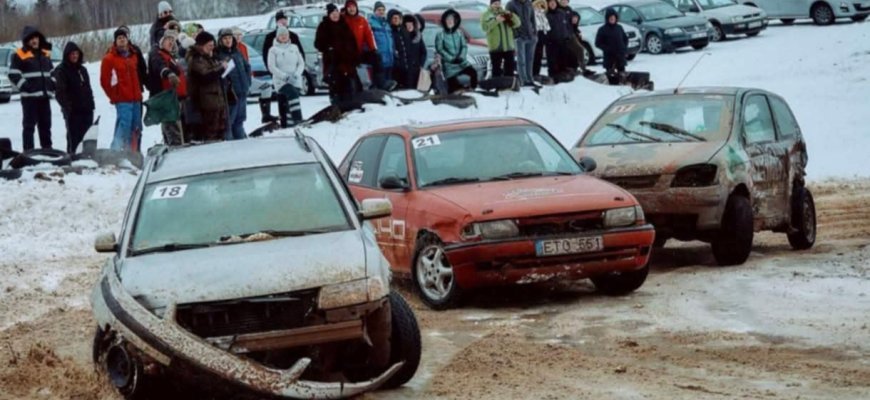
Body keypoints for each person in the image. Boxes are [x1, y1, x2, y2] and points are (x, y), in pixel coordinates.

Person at [9, 26, 55, 151]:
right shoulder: (20, 54)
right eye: (31, 39)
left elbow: (53, 72)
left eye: (36, 38)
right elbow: (13, 74)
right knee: (29, 127)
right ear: (26, 41)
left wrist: (53, 84)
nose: (34, 41)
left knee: (46, 126)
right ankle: (29, 152)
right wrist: (26, 86)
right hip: (30, 99)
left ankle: (48, 151)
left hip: (44, 97)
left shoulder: (45, 54)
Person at [100, 28, 144, 152]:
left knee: (136, 127)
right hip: (123, 100)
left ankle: (132, 153)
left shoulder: (133, 55)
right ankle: (115, 153)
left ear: (127, 39)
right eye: (119, 38)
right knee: (124, 127)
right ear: (115, 41)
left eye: (124, 37)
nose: (122, 40)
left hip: (136, 98)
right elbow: (105, 81)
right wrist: (115, 96)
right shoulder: (109, 59)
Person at [262, 11, 305, 123]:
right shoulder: (270, 38)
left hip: (294, 76)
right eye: (280, 20)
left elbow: (301, 57)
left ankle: (292, 121)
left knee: (293, 98)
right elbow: (269, 62)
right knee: (284, 99)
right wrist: (278, 75)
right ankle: (289, 120)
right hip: (280, 78)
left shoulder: (293, 37)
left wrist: (297, 73)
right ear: (276, 22)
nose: (283, 21)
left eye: (284, 19)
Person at [52, 42, 95, 154]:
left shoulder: (83, 70)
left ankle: (87, 157)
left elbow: (88, 88)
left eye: (76, 53)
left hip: (86, 109)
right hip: (73, 111)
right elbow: (59, 92)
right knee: (74, 138)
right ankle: (73, 157)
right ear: (67, 55)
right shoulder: (61, 70)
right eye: (72, 54)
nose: (75, 56)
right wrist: (67, 107)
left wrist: (91, 104)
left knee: (87, 137)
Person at [148, 29, 188, 145]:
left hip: (175, 99)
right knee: (173, 133)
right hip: (167, 100)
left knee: (175, 131)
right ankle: (175, 157)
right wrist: (168, 73)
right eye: (168, 40)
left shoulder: (169, 55)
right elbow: (159, 66)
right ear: (161, 41)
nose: (171, 43)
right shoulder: (157, 54)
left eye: (173, 40)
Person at [187, 31, 229, 142]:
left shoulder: (209, 58)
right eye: (209, 45)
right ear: (201, 45)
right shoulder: (196, 59)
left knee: (220, 133)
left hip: (216, 102)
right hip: (206, 104)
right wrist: (220, 68)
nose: (212, 48)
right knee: (210, 134)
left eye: (213, 45)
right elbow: (206, 76)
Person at [315, 4, 361, 104]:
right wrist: (329, 48)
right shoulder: (323, 26)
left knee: (350, 87)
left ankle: (350, 106)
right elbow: (318, 43)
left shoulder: (344, 24)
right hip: (333, 63)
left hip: (348, 63)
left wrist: (355, 57)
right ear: (328, 15)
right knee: (336, 88)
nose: (335, 15)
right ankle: (336, 107)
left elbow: (353, 42)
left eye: (336, 13)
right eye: (332, 13)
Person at [343, 0, 385, 91]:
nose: (351, 9)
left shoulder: (361, 20)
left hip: (359, 52)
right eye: (349, 7)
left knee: (376, 58)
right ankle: (354, 89)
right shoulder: (342, 20)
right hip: (346, 54)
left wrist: (373, 49)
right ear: (346, 8)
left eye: (353, 7)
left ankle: (378, 84)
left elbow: (368, 35)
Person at [217, 28, 251, 140]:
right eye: (225, 38)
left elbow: (247, 67)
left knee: (240, 119)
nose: (228, 41)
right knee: (229, 121)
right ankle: (230, 144)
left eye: (230, 38)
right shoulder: (218, 55)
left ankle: (241, 141)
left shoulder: (237, 51)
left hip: (242, 91)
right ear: (221, 40)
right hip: (231, 94)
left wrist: (247, 82)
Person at [436, 9, 477, 93]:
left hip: (461, 62)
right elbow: (440, 49)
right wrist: (451, 59)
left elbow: (464, 46)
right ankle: (453, 98)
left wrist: (461, 57)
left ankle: (473, 91)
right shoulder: (440, 35)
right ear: (444, 21)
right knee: (453, 86)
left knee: (473, 73)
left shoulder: (459, 33)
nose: (450, 21)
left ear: (455, 21)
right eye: (448, 19)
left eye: (452, 19)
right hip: (449, 65)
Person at [481, 0, 521, 79]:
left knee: (510, 68)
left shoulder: (505, 13)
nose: (497, 5)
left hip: (508, 46)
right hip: (496, 47)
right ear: (491, 4)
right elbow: (484, 27)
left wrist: (512, 15)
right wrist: (496, 20)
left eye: (499, 3)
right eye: (495, 3)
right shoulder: (486, 14)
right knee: (496, 69)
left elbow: (517, 24)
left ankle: (509, 85)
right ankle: (497, 85)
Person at [393, 15, 428, 89]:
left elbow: (424, 52)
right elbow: (396, 52)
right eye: (407, 25)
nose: (409, 26)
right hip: (403, 71)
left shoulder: (418, 37)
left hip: (416, 70)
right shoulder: (400, 37)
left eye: (411, 24)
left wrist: (420, 64)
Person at [507, 0, 537, 86]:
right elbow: (509, 21)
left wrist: (535, 33)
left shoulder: (529, 3)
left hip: (530, 36)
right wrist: (516, 34)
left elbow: (532, 19)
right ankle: (523, 80)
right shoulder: (511, 4)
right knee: (521, 60)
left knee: (530, 60)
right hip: (519, 37)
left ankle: (530, 79)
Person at [596, 8, 629, 84]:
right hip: (609, 57)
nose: (612, 18)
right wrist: (607, 49)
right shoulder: (602, 29)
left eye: (613, 17)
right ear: (607, 18)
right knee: (610, 76)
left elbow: (625, 39)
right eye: (610, 17)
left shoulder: (619, 27)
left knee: (622, 74)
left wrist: (624, 48)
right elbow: (598, 43)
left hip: (620, 56)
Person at [369, 2, 397, 90]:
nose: (381, 12)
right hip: (379, 60)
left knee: (389, 85)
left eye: (383, 10)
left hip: (389, 59)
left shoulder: (386, 24)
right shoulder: (371, 23)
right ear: (374, 11)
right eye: (379, 10)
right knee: (380, 86)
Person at [545, 0, 573, 83]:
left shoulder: (561, 13)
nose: (553, 4)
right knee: (552, 61)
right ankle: (553, 76)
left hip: (563, 39)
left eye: (554, 3)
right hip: (551, 41)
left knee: (563, 58)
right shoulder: (546, 15)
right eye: (551, 3)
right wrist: (547, 39)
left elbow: (567, 24)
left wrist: (567, 35)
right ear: (548, 4)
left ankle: (563, 75)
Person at [531, 0, 550, 79]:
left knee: (539, 55)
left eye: (541, 4)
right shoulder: (533, 13)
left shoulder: (543, 13)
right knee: (535, 55)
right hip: (536, 34)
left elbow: (546, 25)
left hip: (543, 34)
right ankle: (533, 73)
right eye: (537, 4)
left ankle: (537, 72)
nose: (539, 6)